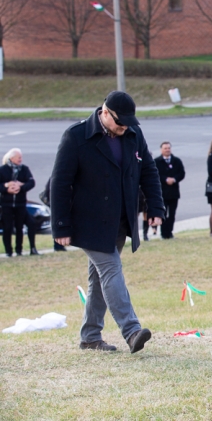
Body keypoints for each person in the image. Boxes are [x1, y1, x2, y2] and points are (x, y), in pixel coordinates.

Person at [51, 91, 163, 353]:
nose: (124, 127)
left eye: (128, 123)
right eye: (119, 122)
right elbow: (60, 182)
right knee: (111, 270)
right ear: (104, 112)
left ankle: (90, 336)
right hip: (88, 222)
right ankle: (132, 329)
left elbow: (148, 171)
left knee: (99, 279)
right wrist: (61, 226)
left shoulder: (134, 135)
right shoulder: (76, 136)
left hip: (120, 221)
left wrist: (156, 207)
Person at [1, 148, 35, 257]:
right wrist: (6, 188)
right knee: (7, 227)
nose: (21, 159)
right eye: (19, 157)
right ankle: (8, 251)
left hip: (20, 204)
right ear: (12, 158)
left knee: (19, 227)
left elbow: (31, 182)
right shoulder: (3, 170)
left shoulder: (24, 169)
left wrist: (21, 187)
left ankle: (19, 250)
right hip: (6, 204)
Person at [154, 142, 185, 239]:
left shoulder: (176, 161)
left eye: (168, 148)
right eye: (165, 148)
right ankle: (163, 233)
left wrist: (174, 179)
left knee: (172, 214)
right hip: (162, 193)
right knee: (163, 214)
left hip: (174, 192)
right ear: (161, 150)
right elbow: (155, 174)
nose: (167, 150)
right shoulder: (156, 162)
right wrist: (165, 179)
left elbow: (182, 173)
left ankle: (170, 232)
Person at [42, 177, 66, 252]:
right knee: (58, 224)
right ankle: (57, 246)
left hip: (57, 204)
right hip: (56, 205)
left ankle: (60, 246)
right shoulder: (55, 177)